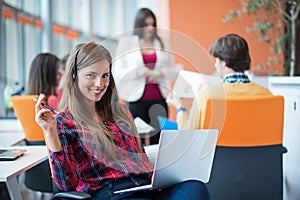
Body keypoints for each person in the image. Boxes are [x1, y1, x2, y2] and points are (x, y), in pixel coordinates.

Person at [34, 42, 210, 200]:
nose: (99, 84)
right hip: (110, 193)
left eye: (105, 75)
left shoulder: (121, 112)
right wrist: (50, 131)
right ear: (74, 76)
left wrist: (163, 173)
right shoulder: (64, 121)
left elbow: (140, 158)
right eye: (91, 75)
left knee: (196, 188)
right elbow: (66, 185)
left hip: (145, 187)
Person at [169, 33, 273, 129]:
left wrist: (180, 108)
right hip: (257, 149)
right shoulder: (267, 95)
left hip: (218, 149)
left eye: (216, 60)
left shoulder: (207, 96)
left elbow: (187, 135)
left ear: (223, 62)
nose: (215, 65)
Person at [113, 8, 178, 145]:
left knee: (159, 139)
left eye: (152, 24)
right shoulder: (127, 43)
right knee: (137, 139)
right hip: (136, 98)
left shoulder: (163, 43)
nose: (150, 28)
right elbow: (117, 71)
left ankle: (158, 167)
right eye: (146, 25)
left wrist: (162, 73)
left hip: (159, 97)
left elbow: (173, 69)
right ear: (139, 25)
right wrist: (138, 71)